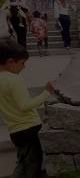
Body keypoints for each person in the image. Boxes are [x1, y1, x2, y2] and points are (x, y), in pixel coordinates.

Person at [0, 40, 54, 177]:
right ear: (10, 62)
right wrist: (46, 93)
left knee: (23, 162)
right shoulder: (13, 80)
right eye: (22, 63)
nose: (23, 67)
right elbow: (24, 105)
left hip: (14, 131)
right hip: (28, 129)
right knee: (33, 164)